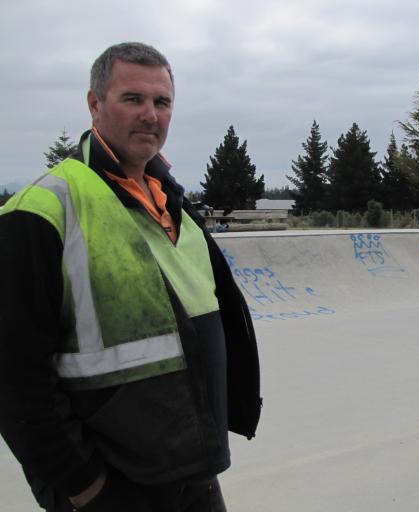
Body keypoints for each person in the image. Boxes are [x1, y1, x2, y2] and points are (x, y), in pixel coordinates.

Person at [0, 42, 261, 511]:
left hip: (192, 474)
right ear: (95, 104)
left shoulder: (173, 203)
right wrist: (81, 485)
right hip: (111, 487)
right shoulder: (43, 210)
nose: (150, 115)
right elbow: (13, 374)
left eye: (161, 102)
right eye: (132, 99)